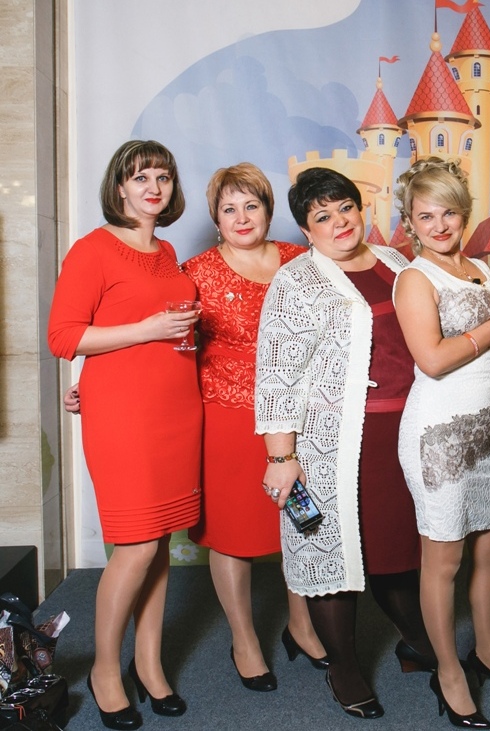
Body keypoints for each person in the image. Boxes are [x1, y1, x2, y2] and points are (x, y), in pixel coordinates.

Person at [256, 167, 435, 721]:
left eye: (346, 208)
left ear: (361, 209)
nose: (339, 222)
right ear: (306, 230)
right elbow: (278, 377)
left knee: (397, 550)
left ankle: (417, 641)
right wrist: (281, 457)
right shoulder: (297, 281)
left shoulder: (397, 262)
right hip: (335, 446)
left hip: (408, 434)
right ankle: (344, 666)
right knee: (332, 554)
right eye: (322, 216)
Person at [48, 140, 199, 730]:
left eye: (163, 176)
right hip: (125, 416)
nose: (153, 188)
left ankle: (149, 663)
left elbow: (169, 334)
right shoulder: (92, 249)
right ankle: (105, 670)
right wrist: (146, 330)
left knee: (158, 544)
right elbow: (64, 336)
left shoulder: (167, 253)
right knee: (135, 546)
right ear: (119, 188)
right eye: (140, 178)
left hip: (176, 412)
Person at [393, 157, 490, 730]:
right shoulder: (414, 279)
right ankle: (449, 672)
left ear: (464, 214)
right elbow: (431, 360)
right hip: (438, 436)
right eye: (425, 216)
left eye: (448, 213)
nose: (438, 226)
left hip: (483, 435)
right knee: (445, 558)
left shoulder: (479, 267)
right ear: (410, 221)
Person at [181, 163, 327, 691]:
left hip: (297, 416)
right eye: (229, 209)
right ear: (216, 219)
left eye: (252, 205)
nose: (242, 217)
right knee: (233, 532)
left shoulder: (302, 261)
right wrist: (94, 387)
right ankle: (244, 639)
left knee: (300, 523)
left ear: (268, 210)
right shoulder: (194, 272)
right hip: (226, 418)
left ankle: (302, 625)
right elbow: (165, 349)